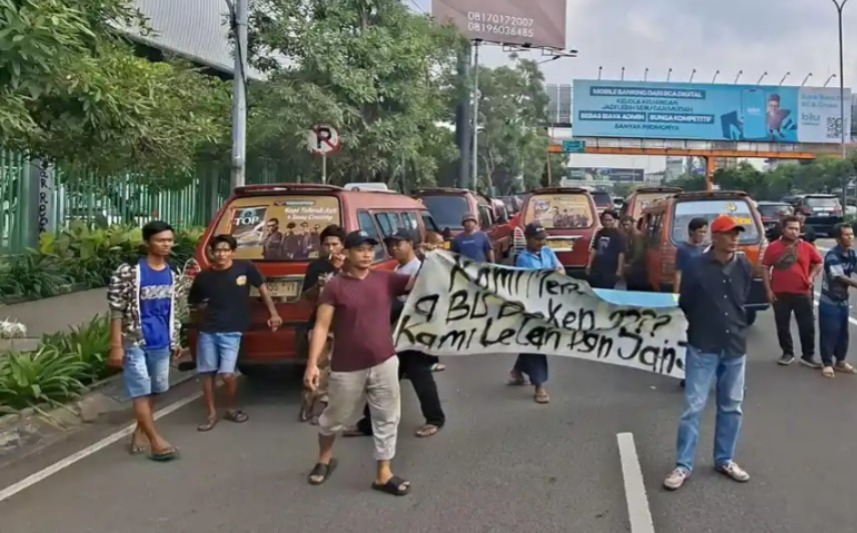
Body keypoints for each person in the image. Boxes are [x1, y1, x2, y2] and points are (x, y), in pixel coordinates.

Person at [303, 230, 418, 496]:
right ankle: (324, 459)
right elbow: (321, 326)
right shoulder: (335, 286)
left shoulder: (385, 280)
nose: (367, 254)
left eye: (370, 249)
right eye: (360, 249)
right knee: (334, 419)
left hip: (385, 362)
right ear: (346, 253)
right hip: (347, 366)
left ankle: (383, 473)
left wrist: (434, 260)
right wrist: (312, 364)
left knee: (387, 417)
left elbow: (419, 282)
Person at [663, 215, 753, 491]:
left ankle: (725, 459)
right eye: (728, 233)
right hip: (703, 344)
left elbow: (742, 299)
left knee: (731, 406)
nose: (734, 238)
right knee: (693, 406)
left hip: (735, 345)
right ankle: (683, 465)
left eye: (737, 233)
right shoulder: (696, 267)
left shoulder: (745, 266)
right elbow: (687, 302)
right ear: (715, 237)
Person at [346, 229, 446, 438]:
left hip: (413, 334)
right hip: (395, 333)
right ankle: (369, 424)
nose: (394, 248)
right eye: (391, 245)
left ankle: (434, 419)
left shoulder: (418, 267)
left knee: (420, 376)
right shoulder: (399, 268)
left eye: (398, 244)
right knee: (384, 380)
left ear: (410, 243)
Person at [106, 221, 185, 462]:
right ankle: (156, 442)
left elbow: (174, 310)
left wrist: (176, 339)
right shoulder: (130, 273)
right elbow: (116, 310)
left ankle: (140, 430)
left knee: (156, 390)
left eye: (169, 240)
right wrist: (116, 345)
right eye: (161, 240)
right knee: (140, 391)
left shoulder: (172, 275)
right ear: (147, 242)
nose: (166, 244)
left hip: (161, 342)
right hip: (135, 342)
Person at [188, 234, 282, 431]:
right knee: (207, 374)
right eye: (218, 250)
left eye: (225, 250)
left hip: (232, 331)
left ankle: (231, 408)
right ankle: (212, 413)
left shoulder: (245, 268)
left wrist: (274, 314)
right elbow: (194, 302)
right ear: (212, 253)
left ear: (232, 252)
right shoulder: (203, 277)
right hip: (208, 330)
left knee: (227, 374)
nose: (221, 254)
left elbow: (263, 290)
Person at [508, 223, 564, 404]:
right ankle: (539, 385)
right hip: (531, 307)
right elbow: (529, 282)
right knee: (537, 344)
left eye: (543, 238)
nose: (542, 242)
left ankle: (517, 370)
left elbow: (561, 270)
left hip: (549, 304)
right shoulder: (523, 258)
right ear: (528, 239)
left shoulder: (548, 252)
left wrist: (555, 273)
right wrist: (551, 274)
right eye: (538, 239)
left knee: (533, 342)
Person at [761, 216, 822, 368]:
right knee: (782, 325)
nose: (794, 232)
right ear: (783, 229)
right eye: (790, 228)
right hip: (780, 293)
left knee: (807, 326)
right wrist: (768, 290)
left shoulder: (806, 247)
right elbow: (765, 267)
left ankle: (808, 356)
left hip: (802, 292)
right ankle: (787, 353)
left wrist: (810, 276)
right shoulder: (773, 247)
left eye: (797, 229)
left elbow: (819, 262)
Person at [818, 223, 857, 378]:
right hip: (829, 300)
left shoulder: (852, 254)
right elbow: (839, 276)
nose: (850, 237)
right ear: (838, 239)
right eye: (846, 235)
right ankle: (827, 364)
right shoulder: (832, 256)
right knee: (829, 332)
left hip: (843, 301)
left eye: (852, 234)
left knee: (843, 333)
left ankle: (840, 361)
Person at [416, 231, 446, 373]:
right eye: (439, 243)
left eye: (442, 243)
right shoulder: (424, 260)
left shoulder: (440, 258)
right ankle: (430, 362)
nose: (442, 246)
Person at [585, 210, 626, 289]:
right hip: (597, 268)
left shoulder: (619, 235)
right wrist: (589, 265)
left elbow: (621, 253)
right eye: (605, 220)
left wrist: (619, 269)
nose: (607, 222)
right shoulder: (600, 233)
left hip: (610, 270)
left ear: (614, 220)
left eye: (610, 220)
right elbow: (594, 249)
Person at [673, 217, 709, 292]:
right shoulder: (683, 250)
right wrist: (676, 294)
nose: (703, 235)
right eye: (700, 232)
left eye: (704, 232)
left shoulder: (700, 249)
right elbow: (678, 273)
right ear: (691, 231)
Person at [621, 215, 648, 291]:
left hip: (637, 269)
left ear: (633, 224)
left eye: (627, 225)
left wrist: (629, 264)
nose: (625, 227)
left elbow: (638, 253)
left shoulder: (637, 235)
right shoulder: (629, 235)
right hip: (632, 269)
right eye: (624, 225)